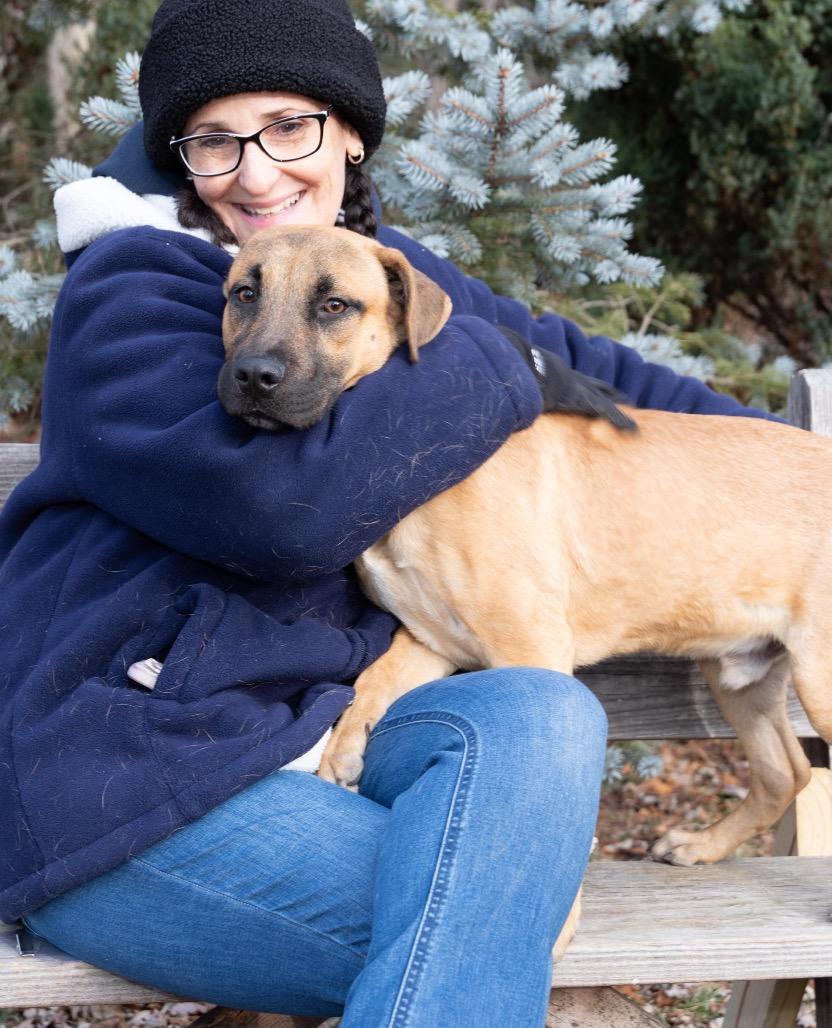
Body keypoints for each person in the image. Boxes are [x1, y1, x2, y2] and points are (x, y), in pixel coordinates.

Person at [0, 1, 779, 1024]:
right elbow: (278, 510)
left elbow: (587, 371)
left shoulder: (378, 273)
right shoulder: (131, 286)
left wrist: (822, 470)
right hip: (129, 786)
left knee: (541, 710)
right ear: (178, 156)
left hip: (323, 739)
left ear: (349, 131)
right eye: (214, 140)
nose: (257, 170)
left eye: (289, 127)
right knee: (492, 920)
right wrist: (498, 361)